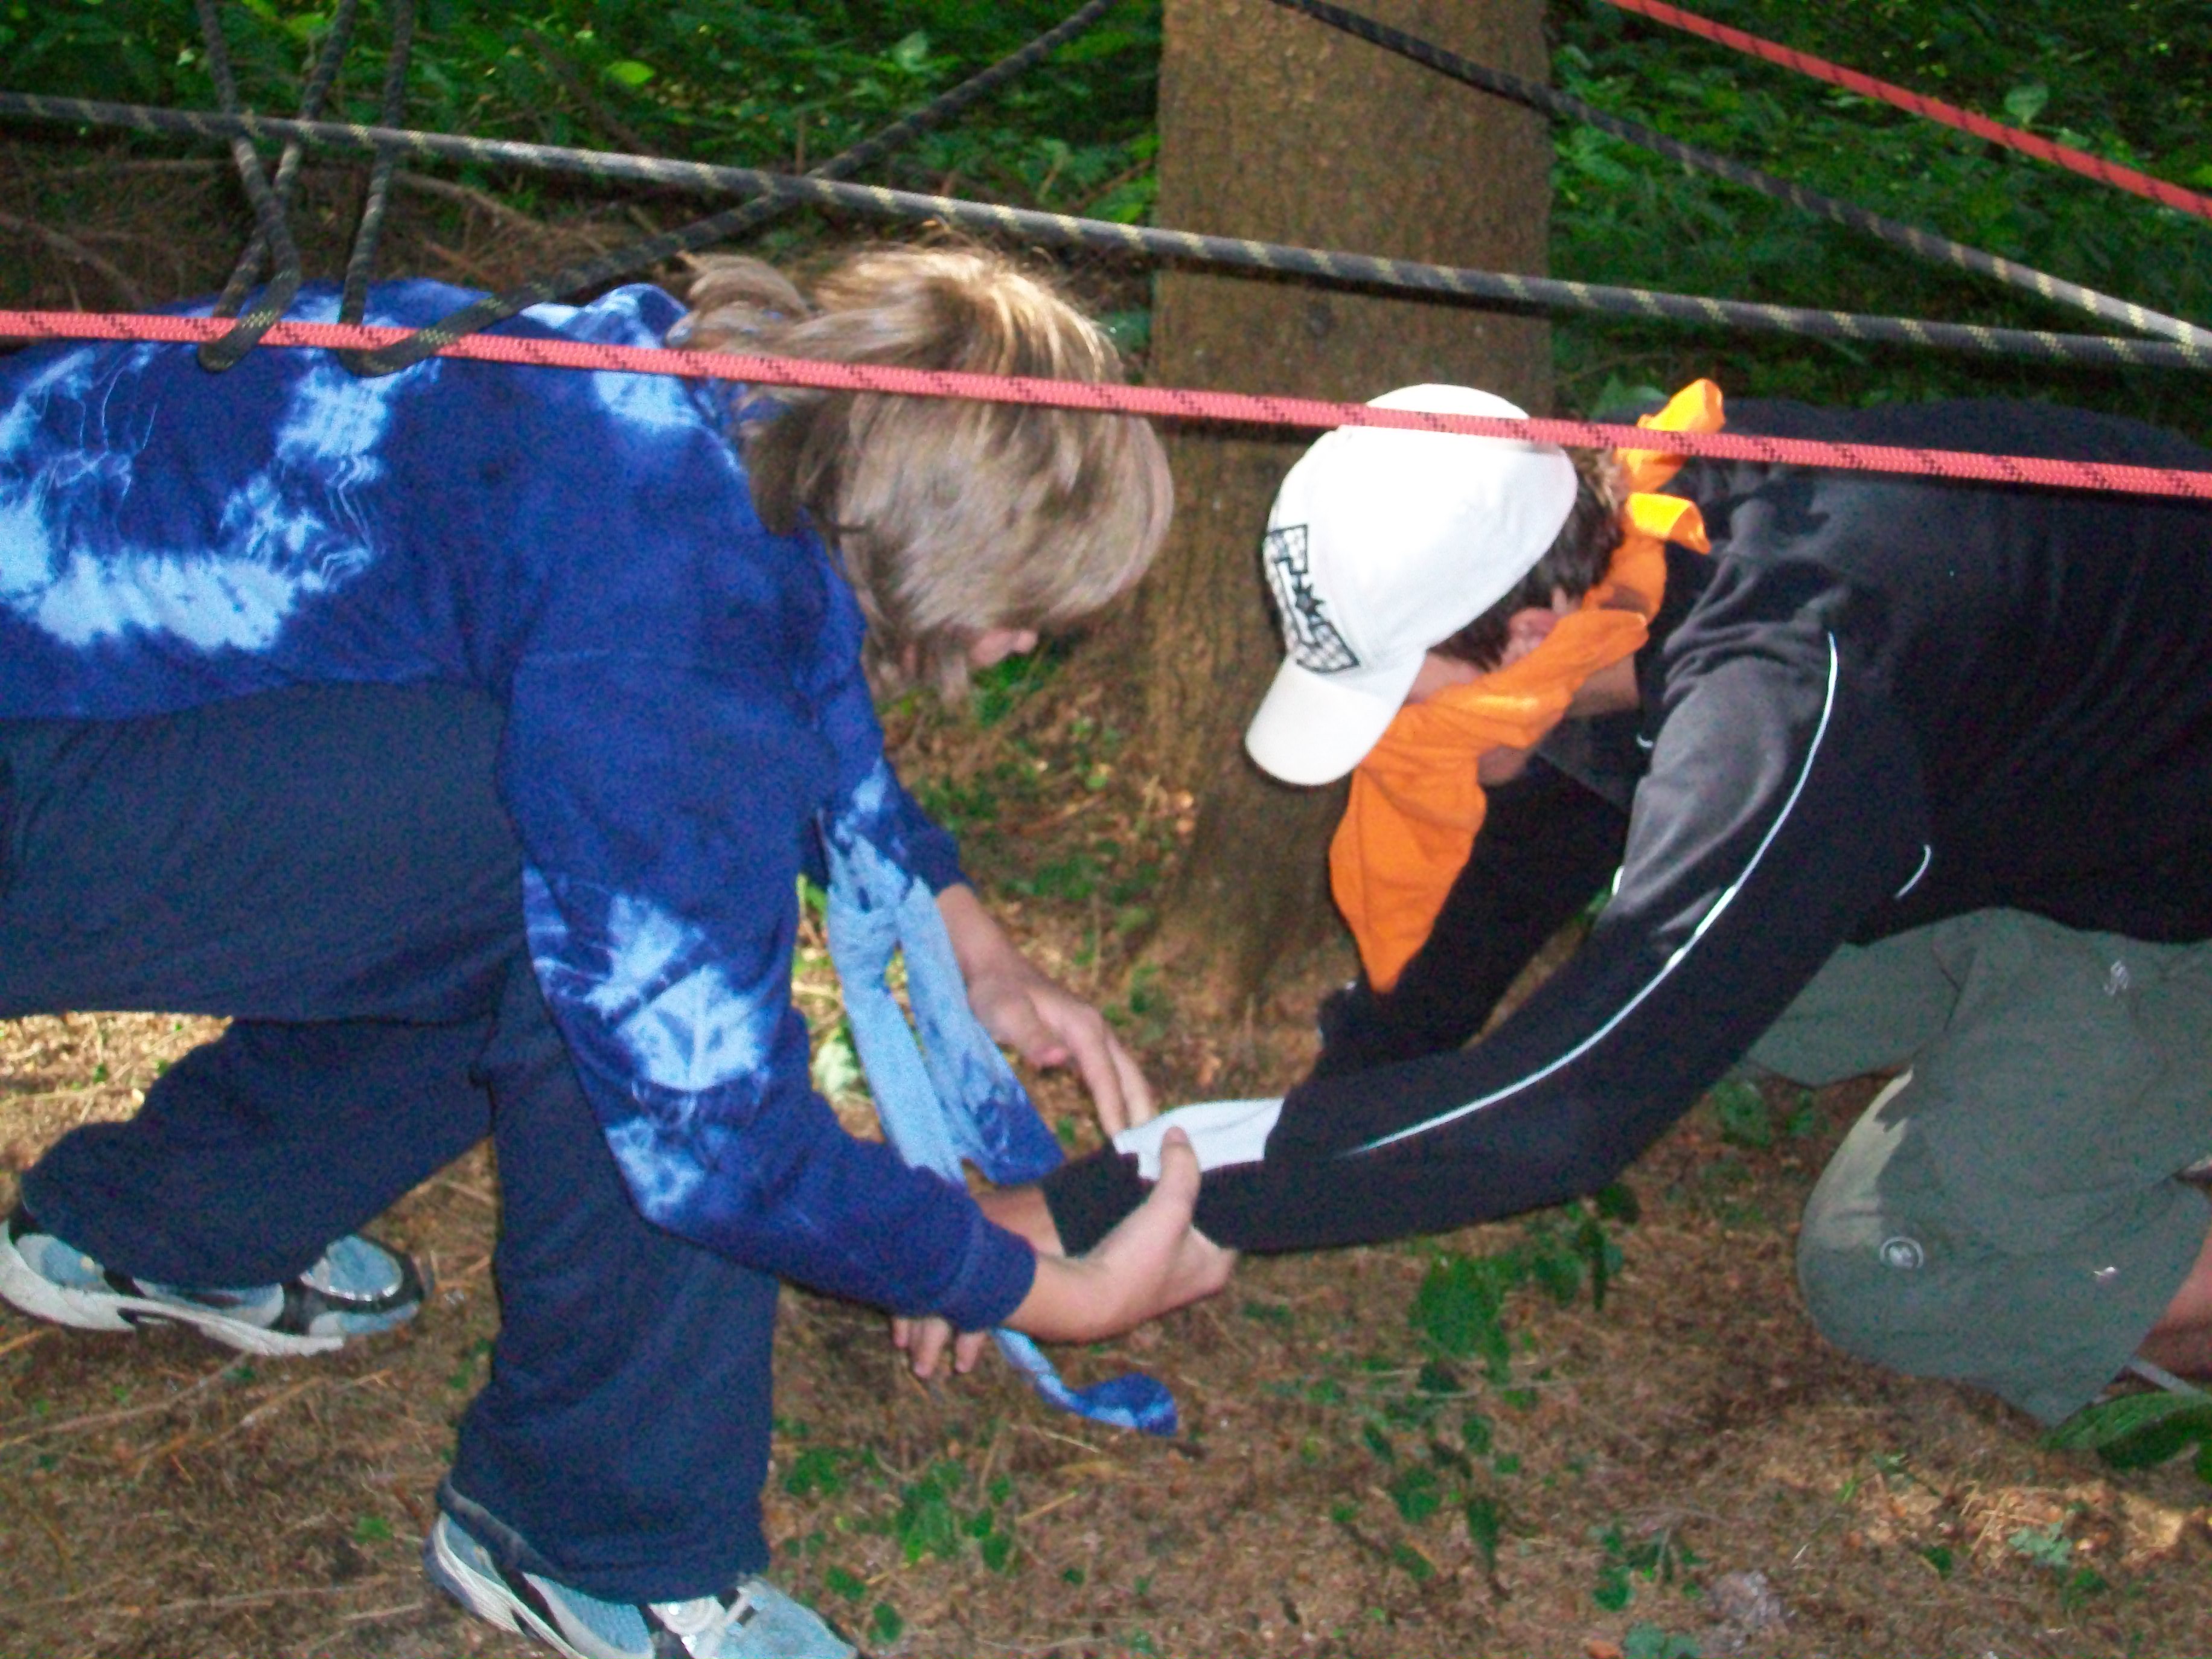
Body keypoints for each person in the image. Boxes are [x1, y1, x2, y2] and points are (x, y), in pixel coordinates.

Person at [0, 246, 1232, 1659]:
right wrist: (1042, 1286)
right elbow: (710, 1125)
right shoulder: (666, 608)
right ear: (944, 554)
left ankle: (166, 1229)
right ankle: (595, 1540)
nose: (1019, 649)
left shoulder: (702, 404)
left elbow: (779, 629)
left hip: (65, 694)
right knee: (597, 895)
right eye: (1034, 618)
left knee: (546, 824)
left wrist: (963, 933)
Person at [1004, 380, 2212, 1432]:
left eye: (1396, 699)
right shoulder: (1626, 536)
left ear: (1526, 636)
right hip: (2062, 786)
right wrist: (1333, 1108)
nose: (1387, 742)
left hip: (2172, 883)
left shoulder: (1783, 699)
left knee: (1886, 1270)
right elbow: (1518, 858)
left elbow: (1567, 1114)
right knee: (1750, 995)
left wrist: (1116, 1202)